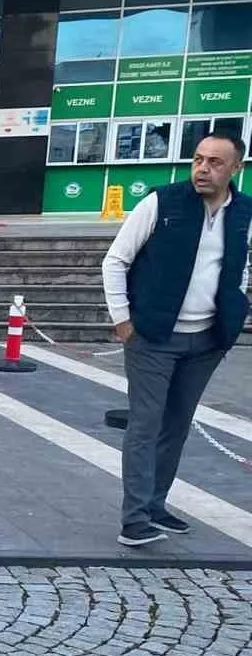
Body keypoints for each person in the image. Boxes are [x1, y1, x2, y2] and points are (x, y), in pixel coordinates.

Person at [102, 132, 251, 547]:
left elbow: (238, 268)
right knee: (145, 425)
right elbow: (115, 260)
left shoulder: (244, 213)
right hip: (152, 336)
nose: (203, 168)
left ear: (236, 168)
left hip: (206, 340)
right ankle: (133, 519)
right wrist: (123, 321)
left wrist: (232, 317)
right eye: (198, 159)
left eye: (216, 162)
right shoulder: (161, 202)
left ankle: (155, 504)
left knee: (177, 425)